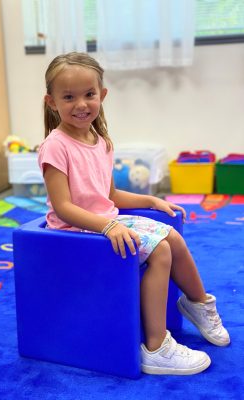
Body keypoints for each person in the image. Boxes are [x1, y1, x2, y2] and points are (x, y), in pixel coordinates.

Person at [37, 52, 230, 375]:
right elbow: (63, 207)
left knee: (172, 236)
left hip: (103, 222)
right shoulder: (55, 145)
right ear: (52, 102)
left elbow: (109, 195)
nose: (81, 104)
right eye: (68, 97)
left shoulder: (100, 141)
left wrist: (152, 201)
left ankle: (198, 303)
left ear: (103, 95)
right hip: (74, 230)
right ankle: (155, 347)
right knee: (161, 250)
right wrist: (108, 224)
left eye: (89, 95)